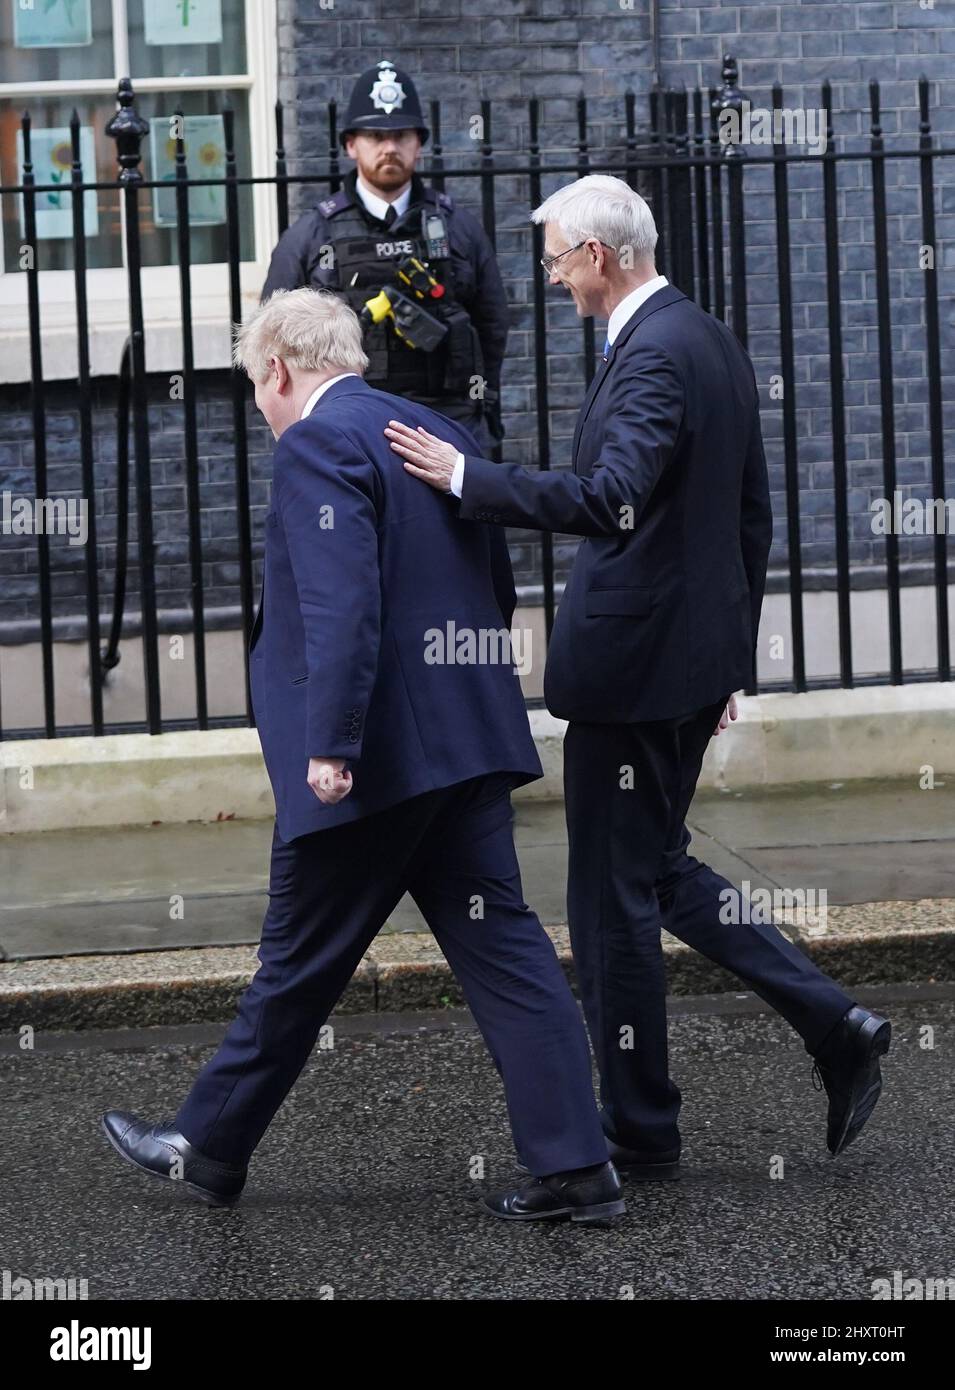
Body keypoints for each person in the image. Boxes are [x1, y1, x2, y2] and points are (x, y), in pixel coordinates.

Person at [386, 174, 891, 1179]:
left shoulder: (653, 352)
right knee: (657, 870)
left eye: (560, 259)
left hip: (636, 671)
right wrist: (726, 656)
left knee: (610, 900)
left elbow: (610, 498)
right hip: (685, 661)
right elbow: (748, 513)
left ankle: (638, 1130)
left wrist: (467, 481)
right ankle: (833, 1022)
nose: (553, 277)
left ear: (602, 255)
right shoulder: (704, 338)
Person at [101, 288, 623, 1225]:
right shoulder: (424, 427)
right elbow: (492, 584)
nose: (261, 408)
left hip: (375, 762)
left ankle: (206, 1147)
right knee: (506, 949)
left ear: (277, 369)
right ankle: (578, 1166)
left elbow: (340, 604)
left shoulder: (315, 442)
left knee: (296, 957)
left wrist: (331, 743)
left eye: (255, 387)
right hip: (461, 747)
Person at [261, 59, 507, 450]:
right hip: (350, 429)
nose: (390, 147)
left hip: (448, 424)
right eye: (376, 135)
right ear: (351, 144)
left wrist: (482, 404)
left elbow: (492, 324)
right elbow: (273, 339)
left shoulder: (459, 228)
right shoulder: (311, 235)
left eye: (401, 135)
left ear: (418, 144)